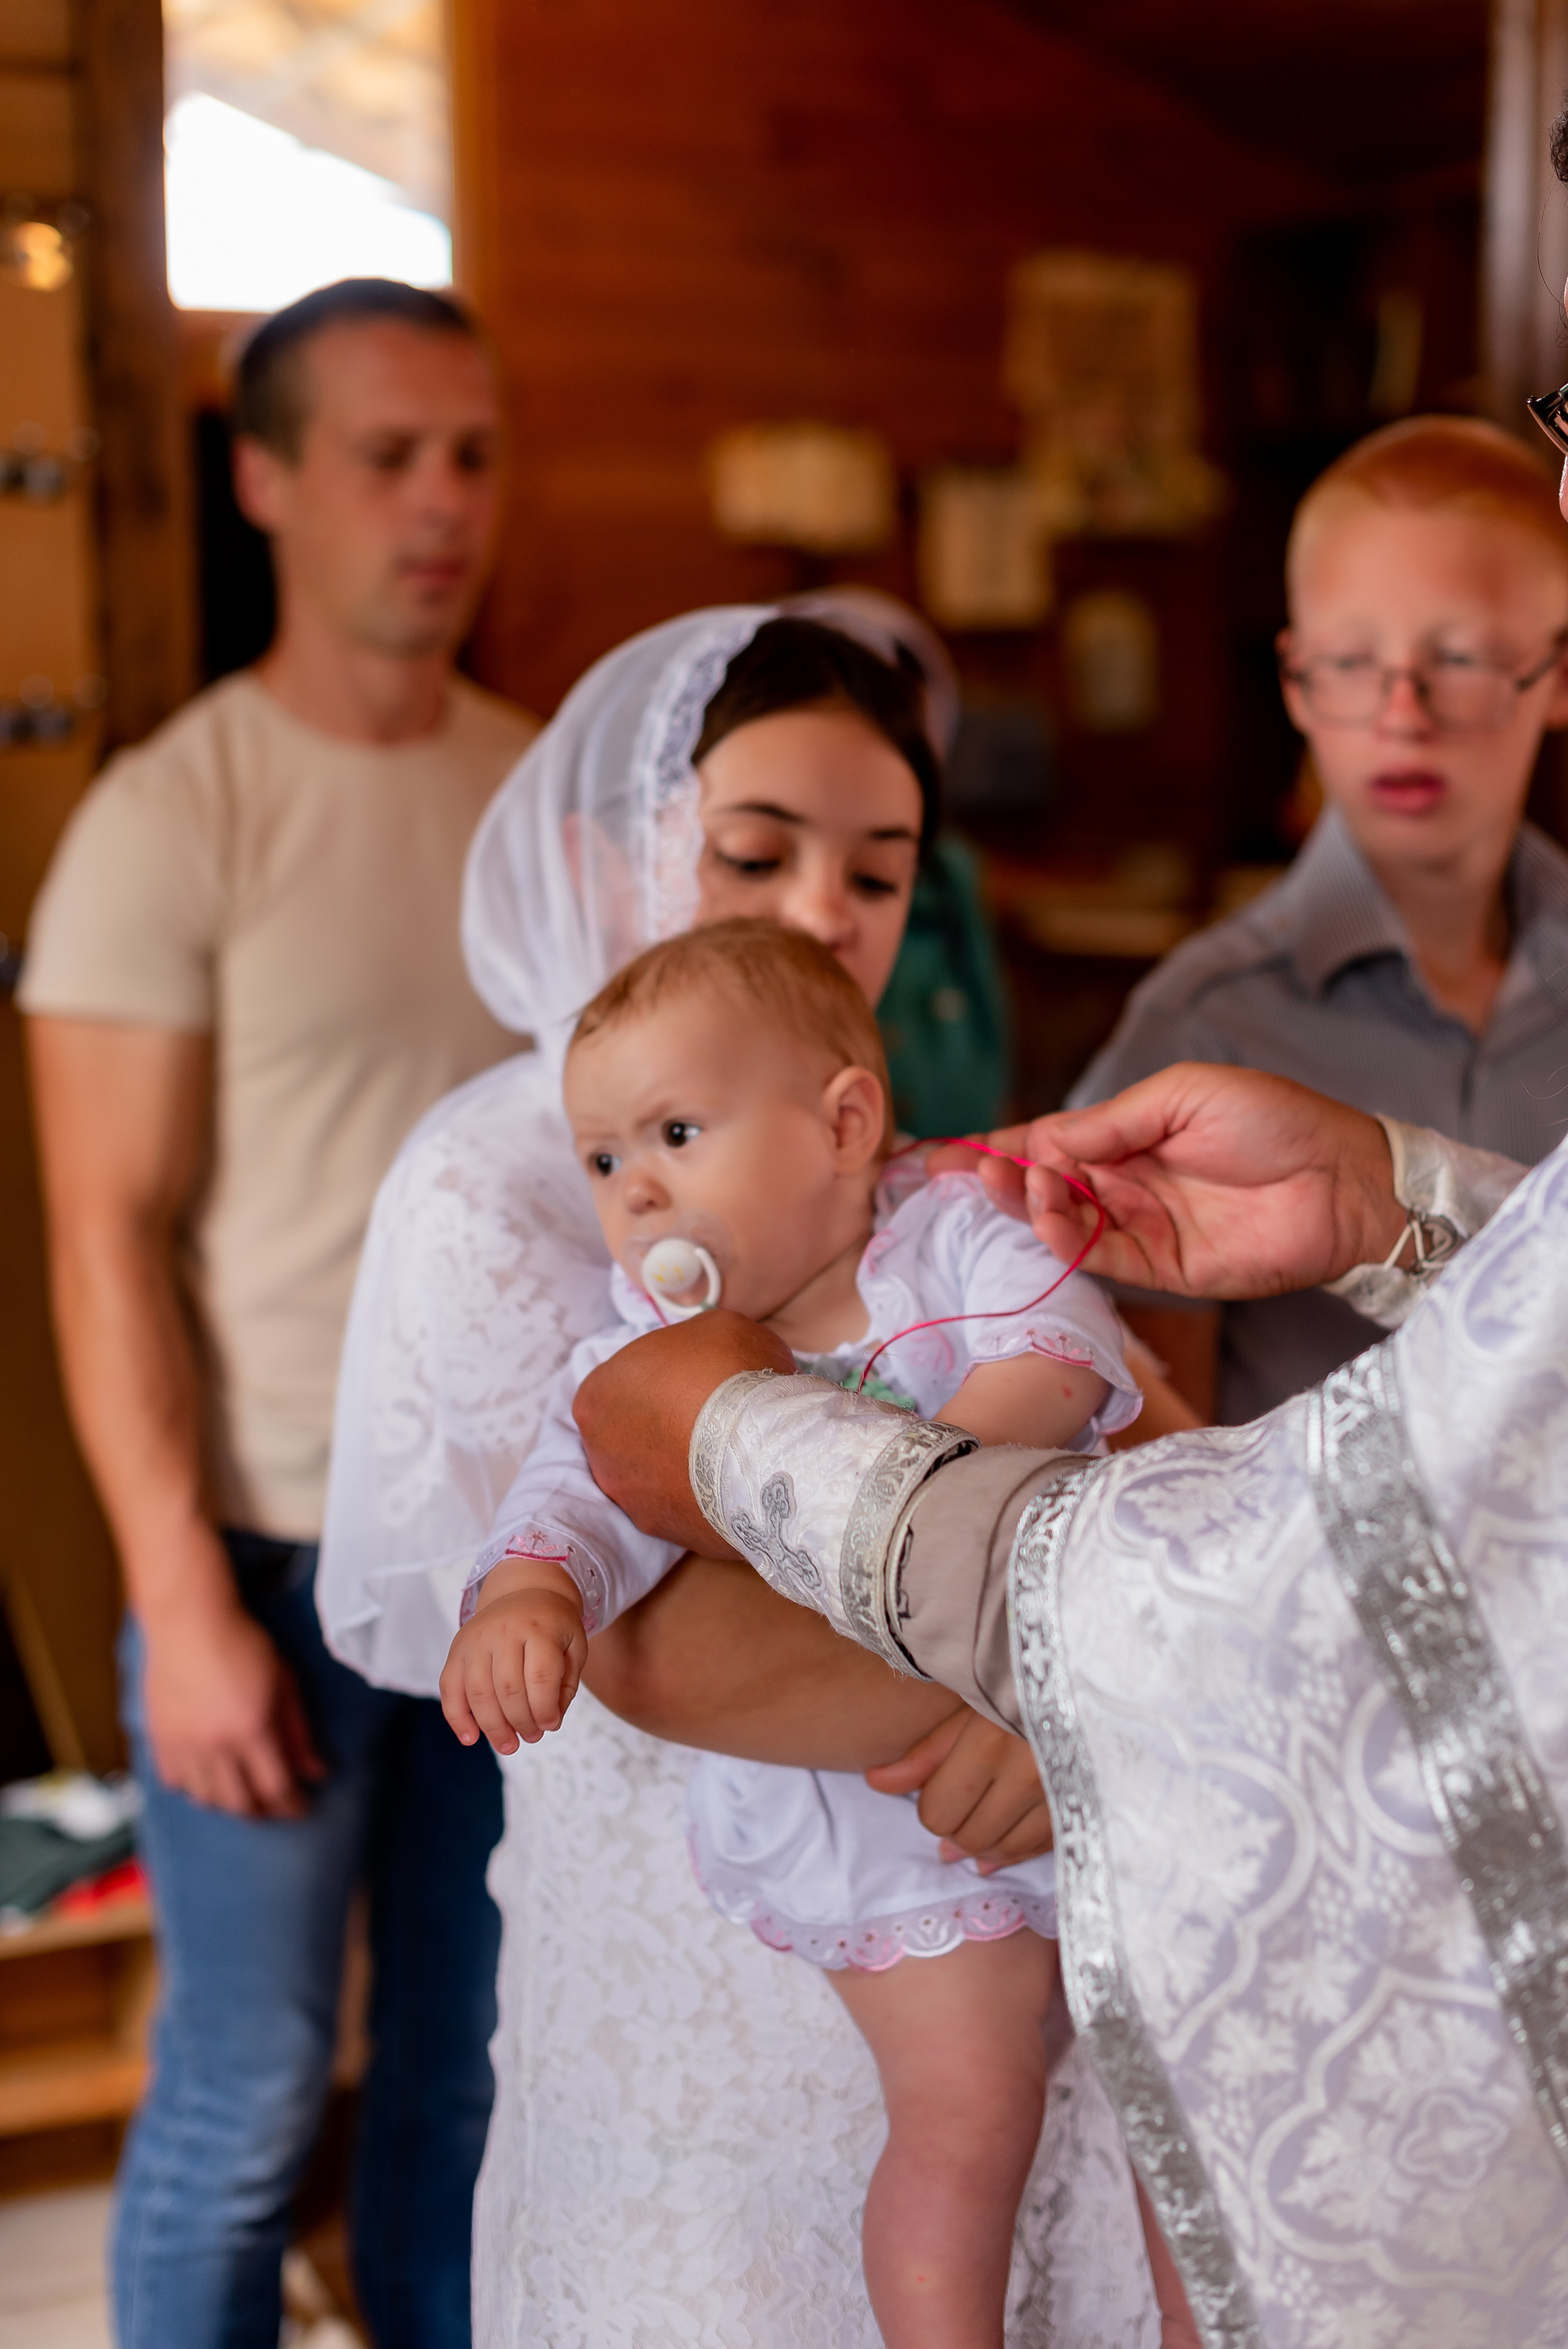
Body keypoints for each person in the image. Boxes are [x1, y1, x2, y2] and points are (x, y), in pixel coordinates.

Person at [320, 608, 1163, 2345]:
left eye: (878, 870)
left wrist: (1059, 1688)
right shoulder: (511, 1185)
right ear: (623, 843)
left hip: (968, 1869)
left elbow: (1118, 1421)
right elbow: (630, 1614)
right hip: (699, 1919)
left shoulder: (887, 1164)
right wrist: (1026, 1656)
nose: (818, 914)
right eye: (756, 851)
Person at [569, 1062, 1568, 2344]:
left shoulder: (949, 1243)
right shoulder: (623, 1282)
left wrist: (1060, 1661)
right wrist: (1390, 1203)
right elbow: (636, 1635)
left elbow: (1397, 1548)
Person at [20, 278, 538, 2349]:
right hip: (268, 1553)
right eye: (386, 457)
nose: (441, 506)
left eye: (474, 456)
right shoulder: (170, 814)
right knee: (243, 2096)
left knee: (468, 2077)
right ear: (265, 481)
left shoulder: (542, 802)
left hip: (519, 1553)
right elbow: (100, 1235)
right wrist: (182, 1598)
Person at [1073, 415, 1568, 1421]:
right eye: (1350, 661)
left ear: (1557, 672)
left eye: (1464, 657)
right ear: (1295, 679)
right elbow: (1146, 1435)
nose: (1402, 712)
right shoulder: (1202, 1024)